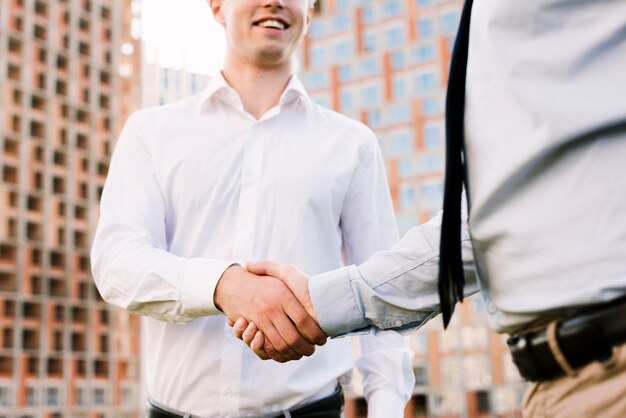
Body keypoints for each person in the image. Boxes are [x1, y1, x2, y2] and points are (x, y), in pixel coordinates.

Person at [232, 1, 626, 417]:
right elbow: (501, 216)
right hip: (568, 378)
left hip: (608, 369)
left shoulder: (351, 143)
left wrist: (319, 304)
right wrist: (318, 301)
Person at [90, 0, 415, 416]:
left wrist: (385, 409)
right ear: (217, 6)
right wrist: (224, 286)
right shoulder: (152, 133)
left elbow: (381, 296)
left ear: (310, 11)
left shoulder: (353, 145)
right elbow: (117, 263)